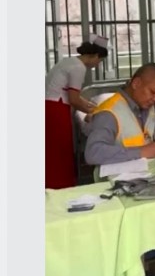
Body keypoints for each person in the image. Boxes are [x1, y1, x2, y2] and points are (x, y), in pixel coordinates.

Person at [45, 34, 109, 189]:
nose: (98, 65)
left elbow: (74, 95)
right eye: (100, 61)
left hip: (50, 106)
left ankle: (51, 182)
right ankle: (61, 184)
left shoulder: (69, 61)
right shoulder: (79, 68)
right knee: (60, 148)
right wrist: (94, 111)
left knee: (52, 149)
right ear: (95, 56)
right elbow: (74, 99)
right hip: (56, 109)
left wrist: (91, 105)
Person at [85, 63, 155, 167]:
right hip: (118, 175)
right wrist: (141, 151)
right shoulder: (109, 113)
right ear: (136, 83)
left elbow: (154, 130)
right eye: (153, 92)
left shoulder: (148, 107)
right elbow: (93, 152)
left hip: (145, 171)